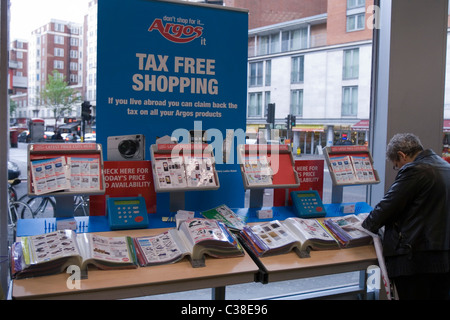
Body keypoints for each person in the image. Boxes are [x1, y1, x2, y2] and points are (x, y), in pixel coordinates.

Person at [362, 133, 450, 299]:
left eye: (397, 165)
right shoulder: (444, 166)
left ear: (402, 155)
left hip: (415, 260)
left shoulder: (414, 170)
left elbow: (386, 207)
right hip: (443, 257)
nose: (398, 169)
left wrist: (365, 226)